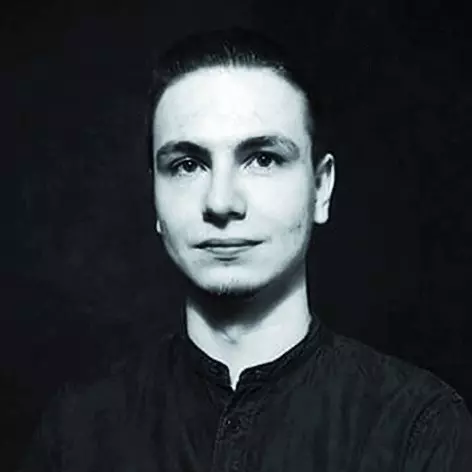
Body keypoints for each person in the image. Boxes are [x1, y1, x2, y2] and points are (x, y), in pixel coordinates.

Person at [19, 27, 472, 472]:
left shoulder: (419, 427)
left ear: (321, 189)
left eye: (263, 159)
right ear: (154, 195)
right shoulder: (76, 431)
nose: (221, 202)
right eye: (188, 165)